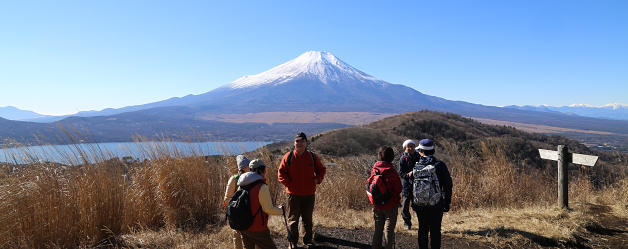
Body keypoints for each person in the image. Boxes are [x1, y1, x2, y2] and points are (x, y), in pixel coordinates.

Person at [277, 132, 327, 248]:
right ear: (294, 143)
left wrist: (317, 179)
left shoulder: (312, 157)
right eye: (297, 141)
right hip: (293, 195)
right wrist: (289, 185)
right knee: (293, 220)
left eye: (302, 141)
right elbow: (281, 173)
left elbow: (321, 169)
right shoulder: (288, 157)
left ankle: (307, 241)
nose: (299, 143)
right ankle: (293, 243)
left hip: (309, 194)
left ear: (306, 143)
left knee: (307, 219)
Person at [408, 139, 453, 249]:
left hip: (420, 204)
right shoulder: (440, 165)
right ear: (433, 150)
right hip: (436, 203)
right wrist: (447, 202)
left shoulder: (416, 166)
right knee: (435, 230)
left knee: (422, 229)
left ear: (421, 151)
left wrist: (413, 203)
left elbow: (411, 186)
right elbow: (448, 185)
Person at [238, 159, 284, 249]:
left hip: (243, 227)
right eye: (264, 170)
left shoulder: (241, 184)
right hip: (257, 227)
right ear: (259, 170)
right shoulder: (261, 186)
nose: (265, 172)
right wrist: (281, 211)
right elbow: (268, 209)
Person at [370, 146, 402, 249]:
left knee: (378, 230)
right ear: (391, 157)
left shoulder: (374, 169)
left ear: (379, 156)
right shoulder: (391, 171)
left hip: (377, 205)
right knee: (389, 231)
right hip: (391, 205)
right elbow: (398, 188)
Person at [223, 155, 251, 249]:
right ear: (243, 168)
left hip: (248, 215)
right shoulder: (234, 180)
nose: (250, 168)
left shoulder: (251, 178)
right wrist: (234, 218)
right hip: (236, 216)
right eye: (248, 166)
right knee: (238, 240)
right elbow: (227, 200)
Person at [398, 139, 420, 230]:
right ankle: (407, 223)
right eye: (408, 147)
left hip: (418, 186)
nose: (410, 148)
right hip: (406, 186)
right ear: (404, 148)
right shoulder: (403, 158)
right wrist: (408, 175)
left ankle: (422, 223)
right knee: (404, 207)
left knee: (418, 206)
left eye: (412, 146)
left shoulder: (419, 156)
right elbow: (401, 173)